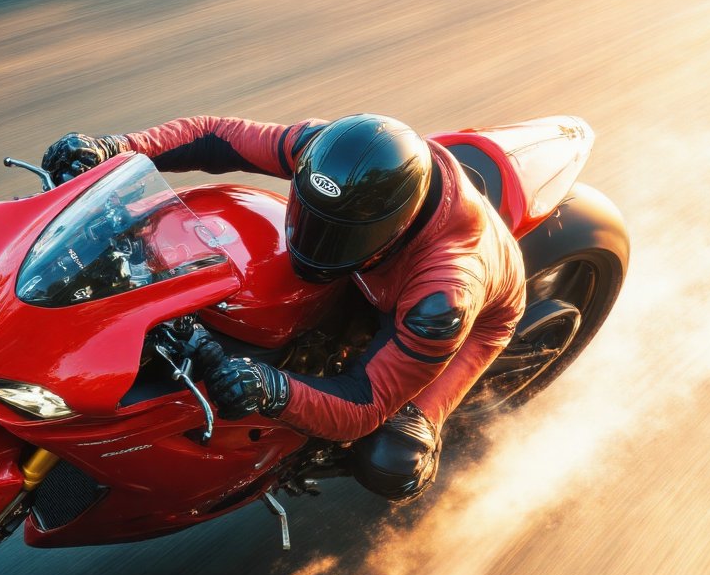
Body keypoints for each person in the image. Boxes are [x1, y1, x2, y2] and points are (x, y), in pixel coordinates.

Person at [41, 113, 526, 498]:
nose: (317, 243)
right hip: (373, 273)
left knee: (389, 460)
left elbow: (366, 403)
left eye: (340, 235)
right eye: (317, 220)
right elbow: (215, 135)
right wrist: (116, 148)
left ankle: (406, 437)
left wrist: (274, 389)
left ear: (395, 230)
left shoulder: (443, 298)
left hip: (467, 316)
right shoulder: (324, 152)